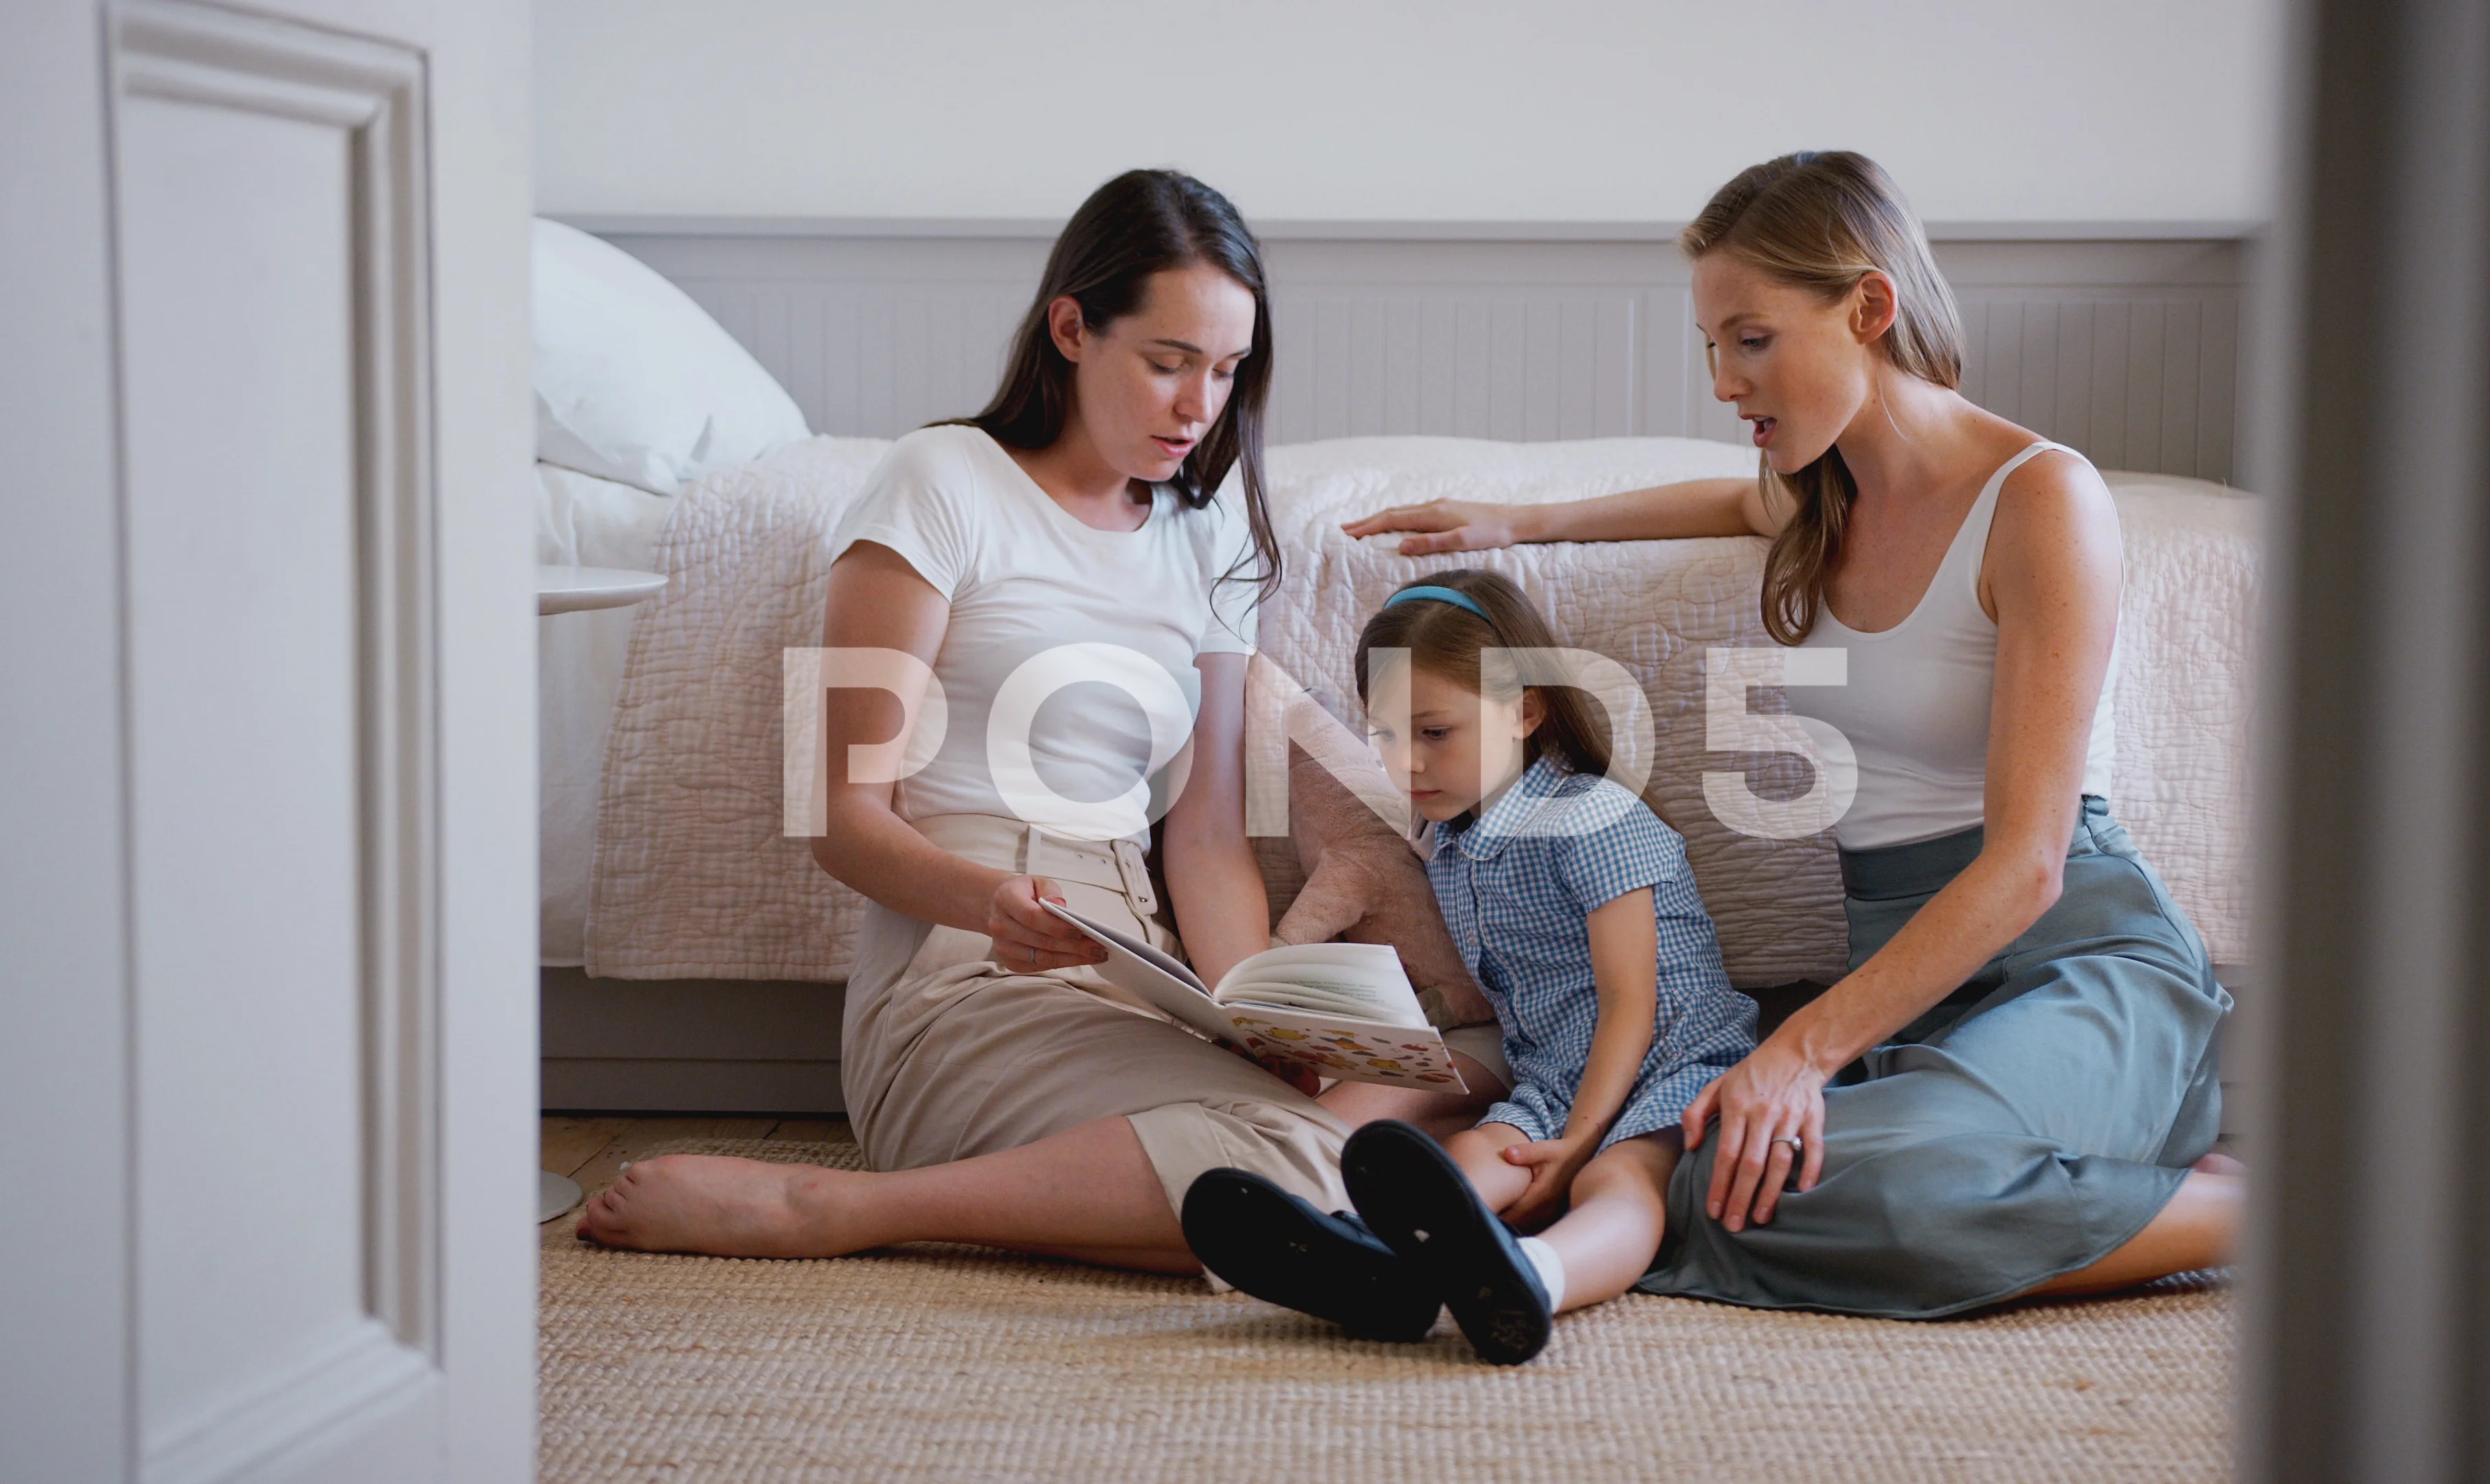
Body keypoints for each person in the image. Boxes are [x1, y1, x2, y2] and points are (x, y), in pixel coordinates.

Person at [1338, 151, 2241, 1319]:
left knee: (1879, 1175)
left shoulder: (2042, 500)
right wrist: (1528, 520)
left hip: (2073, 963)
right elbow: (1723, 498)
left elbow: (2029, 867)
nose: (1723, 382)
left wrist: (1801, 1051)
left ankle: (2256, 1208)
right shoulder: (1821, 498)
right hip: (1909, 984)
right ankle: (2106, 1185)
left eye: (1751, 340)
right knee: (1726, 1170)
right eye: (1711, 346)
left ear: (1868, 308)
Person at [577, 169, 1500, 1268]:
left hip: (1138, 972)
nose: (1199, 407)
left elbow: (1202, 836)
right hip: (969, 967)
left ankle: (1254, 1171)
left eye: (1226, 370)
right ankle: (836, 1212)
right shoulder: (938, 481)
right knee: (1309, 1164)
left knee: (1473, 1068)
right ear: (1071, 328)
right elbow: (838, 813)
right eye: (1167, 363)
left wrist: (1262, 1014)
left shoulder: (1210, 537)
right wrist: (992, 901)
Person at [1182, 570, 1760, 1363]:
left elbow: (1633, 999)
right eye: (1384, 736)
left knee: (1617, 1181)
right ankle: (1375, 1263)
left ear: (1525, 711)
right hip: (1551, 1072)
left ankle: (1535, 1277)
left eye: (1435, 732)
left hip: (1668, 1056)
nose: (1407, 764)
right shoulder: (1453, 849)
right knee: (1473, 1158)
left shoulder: (1592, 817)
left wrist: (1582, 1139)